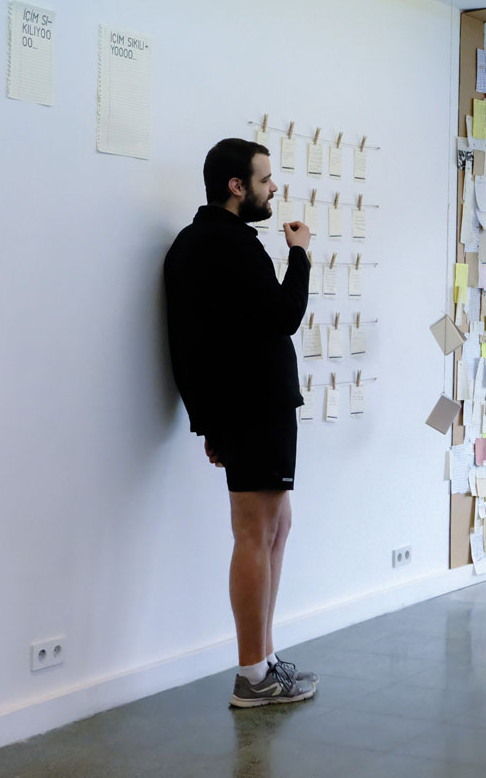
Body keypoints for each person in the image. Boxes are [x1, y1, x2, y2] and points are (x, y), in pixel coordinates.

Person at [164, 138, 318, 708]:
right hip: (256, 409)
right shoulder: (229, 245)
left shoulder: (193, 244)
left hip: (246, 411)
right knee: (256, 533)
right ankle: (253, 674)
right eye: (264, 179)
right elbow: (285, 315)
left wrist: (208, 422)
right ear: (237, 186)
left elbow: (193, 341)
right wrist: (299, 255)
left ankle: (266, 660)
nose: (273, 188)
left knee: (276, 527)